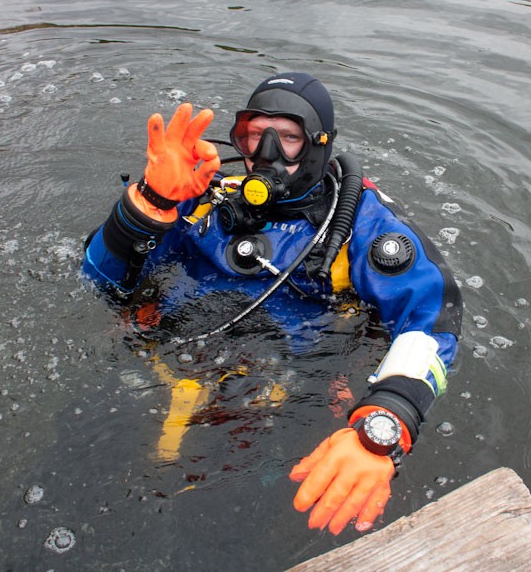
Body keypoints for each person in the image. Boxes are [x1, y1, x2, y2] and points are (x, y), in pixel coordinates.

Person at [81, 72, 462, 535]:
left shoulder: (361, 225)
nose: (266, 155)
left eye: (287, 138)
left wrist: (385, 423)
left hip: (277, 401)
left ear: (319, 144)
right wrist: (147, 205)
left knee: (224, 528)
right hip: (158, 368)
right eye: (254, 135)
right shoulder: (206, 198)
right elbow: (101, 282)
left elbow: (431, 320)